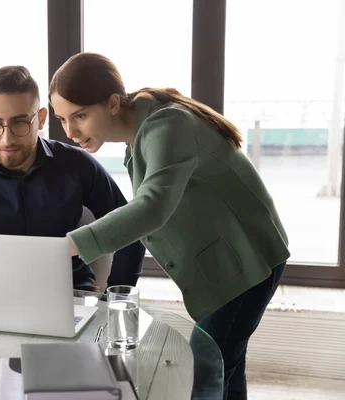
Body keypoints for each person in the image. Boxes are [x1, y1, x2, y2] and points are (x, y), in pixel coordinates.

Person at [49, 52, 289, 400]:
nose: (70, 132)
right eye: (62, 119)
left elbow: (151, 207)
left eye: (80, 116)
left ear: (113, 103)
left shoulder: (167, 125)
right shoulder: (143, 131)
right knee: (225, 369)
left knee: (205, 370)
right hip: (230, 263)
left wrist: (67, 247)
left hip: (249, 261)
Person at [0, 65, 145, 293]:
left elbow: (130, 231)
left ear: (40, 119)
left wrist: (116, 298)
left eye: (19, 122)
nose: (6, 139)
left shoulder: (77, 165)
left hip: (72, 296)